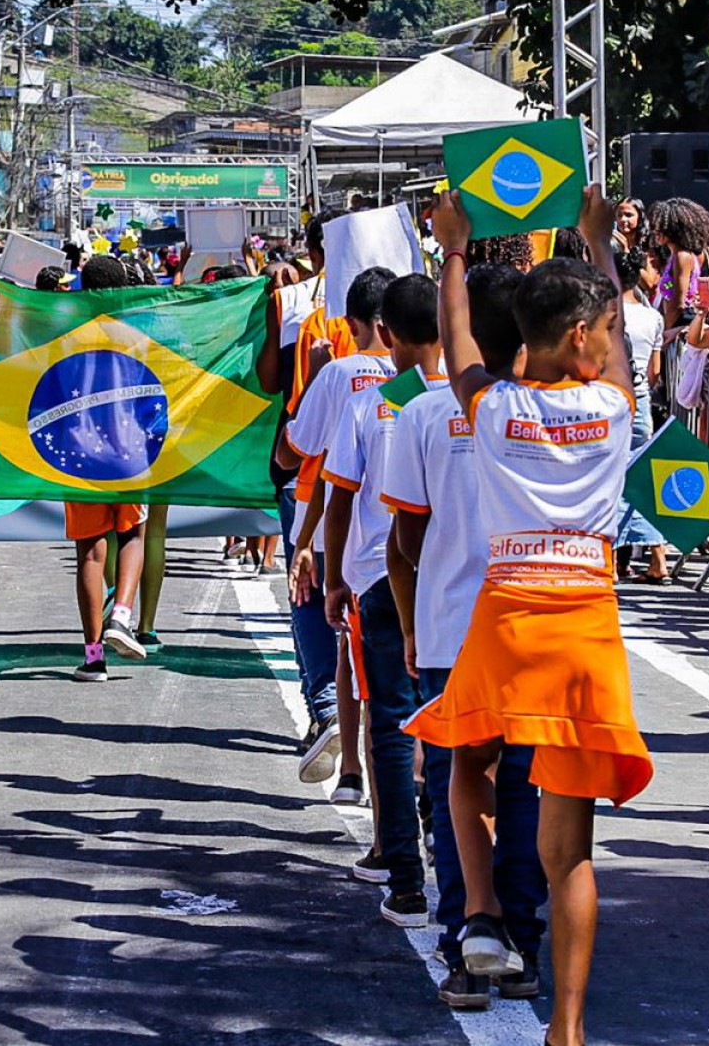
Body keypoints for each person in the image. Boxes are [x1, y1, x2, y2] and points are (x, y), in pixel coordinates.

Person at [411, 186, 650, 1046]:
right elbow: (619, 334)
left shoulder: (496, 410)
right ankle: (569, 1028)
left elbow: (460, 347)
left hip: (507, 612)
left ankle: (478, 911)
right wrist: (597, 244)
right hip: (585, 623)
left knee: (464, 764)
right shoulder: (613, 408)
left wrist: (453, 253)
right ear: (583, 337)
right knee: (569, 850)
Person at [384, 262, 546, 1007]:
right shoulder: (563, 409)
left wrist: (425, 606)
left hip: (453, 628)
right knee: (524, 790)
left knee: (460, 790)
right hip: (537, 627)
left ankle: (466, 942)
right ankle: (523, 940)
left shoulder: (420, 414)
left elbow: (406, 534)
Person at [320, 272, 446, 929]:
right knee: (454, 729)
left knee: (391, 729)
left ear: (387, 334)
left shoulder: (379, 403)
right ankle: (455, 867)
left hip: (382, 581)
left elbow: (340, 494)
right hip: (458, 586)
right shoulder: (469, 401)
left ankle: (405, 875)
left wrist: (333, 574)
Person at [283, 265, 397, 794]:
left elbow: (303, 451)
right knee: (385, 652)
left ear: (351, 323)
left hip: (339, 524)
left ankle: (335, 723)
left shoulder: (337, 375)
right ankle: (371, 767)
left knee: (334, 629)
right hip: (403, 530)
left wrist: (304, 541)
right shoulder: (426, 380)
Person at [64, 253, 151, 681]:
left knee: (90, 552)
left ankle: (94, 654)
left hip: (79, 455)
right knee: (133, 533)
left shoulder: (68, 337)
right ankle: (122, 613)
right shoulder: (135, 335)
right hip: (130, 450)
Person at [616, 247, 669, 581]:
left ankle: (610, 562)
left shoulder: (601, 313)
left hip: (610, 397)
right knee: (643, 478)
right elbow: (655, 370)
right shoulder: (652, 317)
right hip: (640, 396)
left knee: (611, 479)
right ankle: (658, 558)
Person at [646, 197, 709, 329]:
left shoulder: (683, 257)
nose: (655, 231)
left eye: (661, 227)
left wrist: (664, 332)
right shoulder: (676, 256)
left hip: (679, 325)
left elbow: (678, 302)